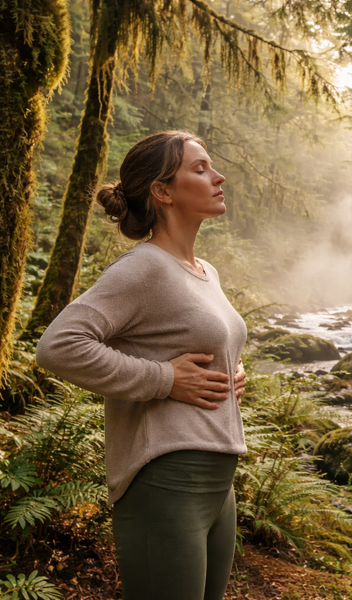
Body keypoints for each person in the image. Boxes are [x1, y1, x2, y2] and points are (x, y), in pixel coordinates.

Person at [36, 130, 248, 600]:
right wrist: (164, 379)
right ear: (163, 191)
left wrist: (232, 370)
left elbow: (189, 341)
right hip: (166, 479)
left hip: (220, 481)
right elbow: (59, 345)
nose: (218, 176)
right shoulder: (143, 268)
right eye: (200, 168)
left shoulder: (205, 270)